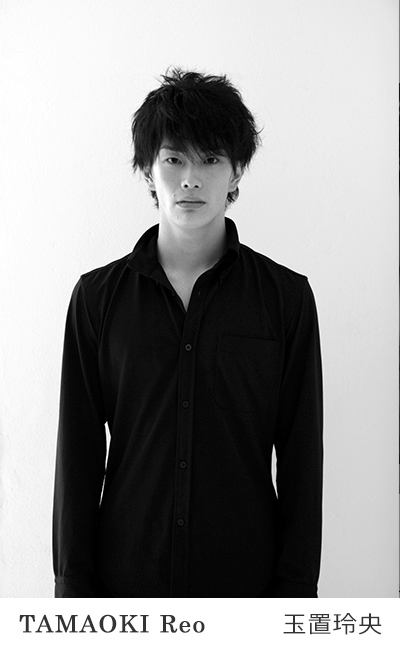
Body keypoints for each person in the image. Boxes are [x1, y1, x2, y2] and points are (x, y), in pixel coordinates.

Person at [53, 68, 323, 598]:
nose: (191, 179)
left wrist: (293, 598)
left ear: (237, 172)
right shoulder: (97, 299)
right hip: (124, 588)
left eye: (211, 159)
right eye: (174, 159)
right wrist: (73, 595)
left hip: (245, 588)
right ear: (147, 171)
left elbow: (301, 460)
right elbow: (77, 458)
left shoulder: (286, 299)